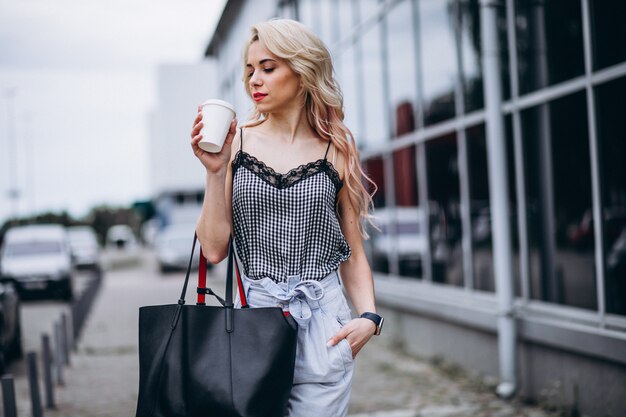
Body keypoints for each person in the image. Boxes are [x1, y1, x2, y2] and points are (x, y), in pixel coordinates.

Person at [190, 18, 383, 417]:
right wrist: (215, 172)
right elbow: (212, 249)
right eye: (249, 69)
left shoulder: (337, 149)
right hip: (252, 324)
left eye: (268, 67)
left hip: (325, 326)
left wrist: (369, 318)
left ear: (301, 70)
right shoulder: (235, 141)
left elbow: (353, 253)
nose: (253, 80)